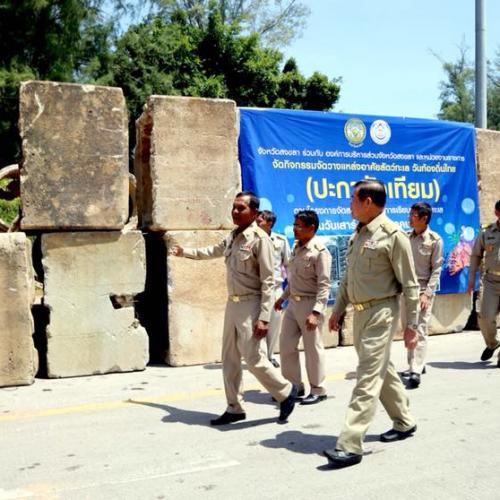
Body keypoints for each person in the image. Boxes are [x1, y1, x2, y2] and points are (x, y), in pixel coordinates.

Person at [170, 191, 297, 425]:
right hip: (233, 303)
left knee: (254, 357)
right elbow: (212, 251)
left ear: (254, 213)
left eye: (241, 208)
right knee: (229, 358)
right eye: (234, 207)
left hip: (252, 304)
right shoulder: (233, 236)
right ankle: (234, 407)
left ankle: (286, 392)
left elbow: (268, 281)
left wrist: (264, 317)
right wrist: (184, 252)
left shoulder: (260, 239)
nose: (235, 212)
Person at [324, 179, 420, 469]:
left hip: (382, 313)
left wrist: (412, 326)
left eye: (353, 199)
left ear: (367, 202)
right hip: (360, 313)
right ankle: (404, 420)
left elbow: (410, 285)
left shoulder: (393, 236)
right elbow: (348, 278)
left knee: (367, 376)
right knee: (381, 368)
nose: (349, 205)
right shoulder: (358, 235)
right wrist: (337, 310)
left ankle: (350, 444)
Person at [275, 210, 332, 405]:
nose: (295, 229)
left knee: (312, 349)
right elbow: (294, 280)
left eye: (299, 226)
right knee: (286, 345)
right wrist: (282, 298)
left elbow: (324, 285)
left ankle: (318, 389)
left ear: (311, 228)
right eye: (294, 225)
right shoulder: (296, 248)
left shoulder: (320, 252)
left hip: (310, 304)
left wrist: (316, 312)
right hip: (293, 304)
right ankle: (293, 386)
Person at [402, 202, 443, 388]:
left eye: (413, 215)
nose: (409, 218)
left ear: (424, 219)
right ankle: (415, 363)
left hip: (422, 291)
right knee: (408, 328)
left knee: (419, 329)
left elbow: (436, 269)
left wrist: (427, 294)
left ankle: (416, 370)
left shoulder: (435, 240)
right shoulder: (405, 238)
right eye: (410, 214)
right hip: (406, 291)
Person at [256, 210, 291, 368]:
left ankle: (270, 355)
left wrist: (290, 288)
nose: (257, 224)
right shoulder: (252, 240)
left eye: (260, 221)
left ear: (269, 223)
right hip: (257, 288)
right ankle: (259, 356)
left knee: (274, 323)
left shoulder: (280, 240)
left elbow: (288, 264)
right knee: (258, 322)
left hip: (275, 288)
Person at [467, 199, 500, 367]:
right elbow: (476, 255)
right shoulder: (487, 232)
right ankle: (493, 343)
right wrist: (471, 278)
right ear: (497, 213)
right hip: (491, 281)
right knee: (485, 317)